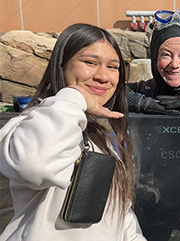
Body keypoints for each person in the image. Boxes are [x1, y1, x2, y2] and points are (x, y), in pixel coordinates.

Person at [0, 23, 146, 241]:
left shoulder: (100, 135)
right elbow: (35, 167)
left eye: (113, 67)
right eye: (90, 62)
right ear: (61, 65)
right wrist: (75, 96)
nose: (103, 76)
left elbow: (119, 214)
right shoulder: (29, 126)